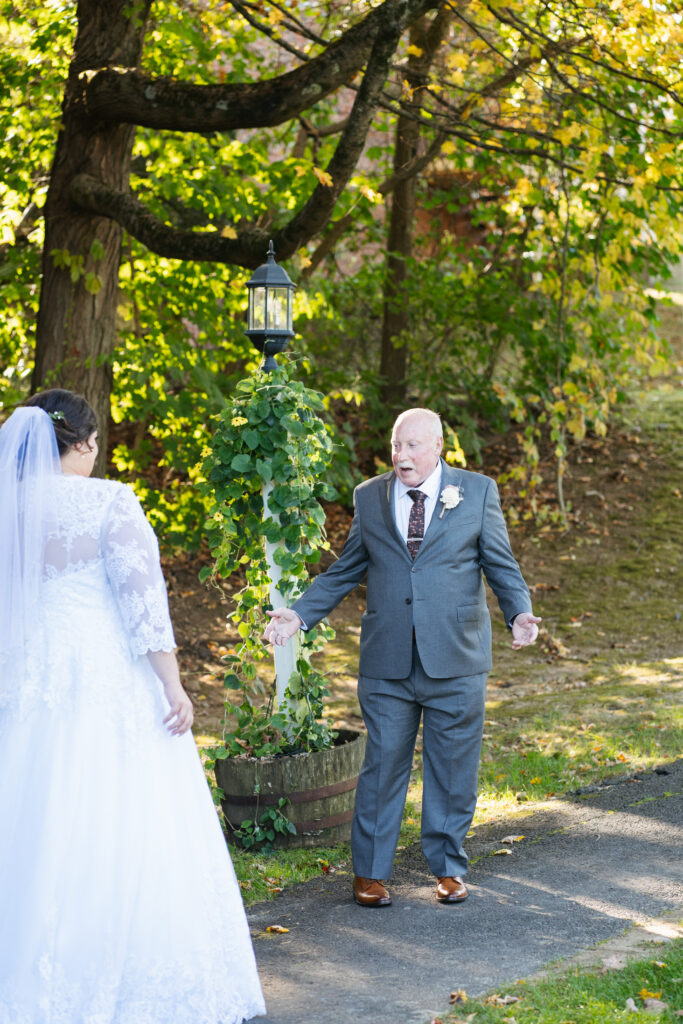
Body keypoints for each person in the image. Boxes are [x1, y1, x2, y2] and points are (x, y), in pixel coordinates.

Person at [0, 390, 265, 1024]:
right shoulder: (109, 502)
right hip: (101, 678)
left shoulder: (7, 508)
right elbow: (144, 604)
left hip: (28, 680)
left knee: (32, 813)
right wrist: (173, 685)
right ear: (84, 444)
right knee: (119, 817)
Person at [265, 407, 540, 908]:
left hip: (455, 657)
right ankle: (369, 872)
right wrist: (299, 615)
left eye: (413, 446)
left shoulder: (476, 492)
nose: (402, 456)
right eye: (396, 446)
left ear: (438, 446)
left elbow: (501, 563)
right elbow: (346, 568)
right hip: (388, 659)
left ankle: (449, 867)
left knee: (454, 768)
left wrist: (518, 612)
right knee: (382, 765)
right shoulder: (369, 496)